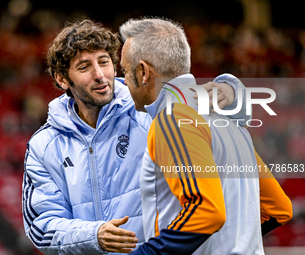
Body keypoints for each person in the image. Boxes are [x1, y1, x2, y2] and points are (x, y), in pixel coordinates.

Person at [23, 19, 253, 255]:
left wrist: (232, 89)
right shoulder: (43, 147)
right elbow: (40, 225)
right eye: (84, 67)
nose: (100, 75)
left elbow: (225, 114)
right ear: (62, 79)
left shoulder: (150, 112)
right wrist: (94, 235)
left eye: (104, 62)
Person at [119, 18, 293, 255]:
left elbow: (206, 210)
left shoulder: (172, 118)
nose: (124, 81)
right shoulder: (231, 122)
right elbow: (279, 208)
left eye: (126, 72)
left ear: (143, 72)